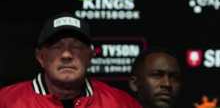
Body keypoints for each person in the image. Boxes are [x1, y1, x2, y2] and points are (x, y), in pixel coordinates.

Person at [0, 12, 141, 107]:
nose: (66, 55)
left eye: (76, 46)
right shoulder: (6, 101)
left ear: (90, 56)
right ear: (41, 57)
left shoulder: (120, 103)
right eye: (57, 46)